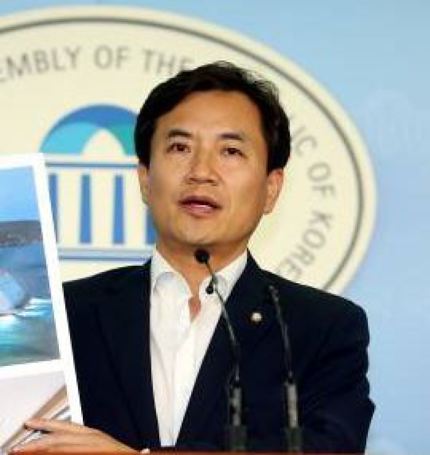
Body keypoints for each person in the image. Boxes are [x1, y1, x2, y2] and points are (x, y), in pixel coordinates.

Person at [14, 62, 374, 453]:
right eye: (180, 148)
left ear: (271, 188)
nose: (201, 172)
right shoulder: (66, 315)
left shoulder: (321, 327)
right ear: (145, 179)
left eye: (231, 151)